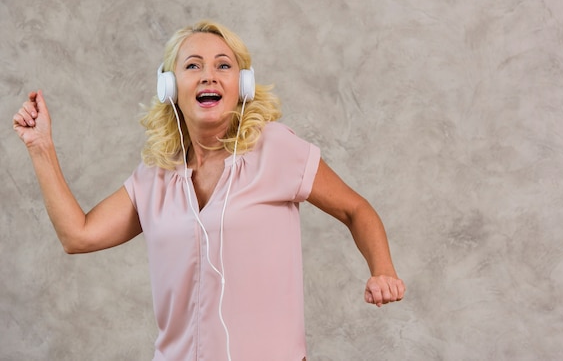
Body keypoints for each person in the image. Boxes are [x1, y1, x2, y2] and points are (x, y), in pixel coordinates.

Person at [13, 19, 405, 361]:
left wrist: (382, 269)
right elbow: (77, 235)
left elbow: (355, 209)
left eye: (223, 65)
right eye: (192, 66)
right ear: (169, 87)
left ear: (242, 85)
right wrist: (41, 147)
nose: (208, 75)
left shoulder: (275, 148)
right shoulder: (155, 176)